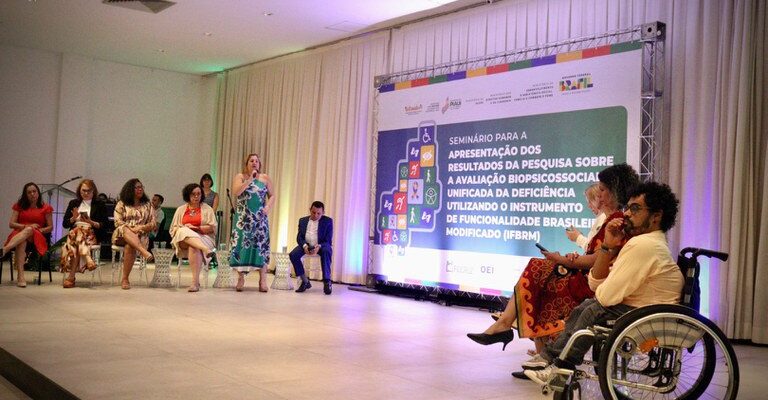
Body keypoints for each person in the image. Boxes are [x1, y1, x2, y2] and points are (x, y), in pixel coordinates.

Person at [467, 164, 639, 366]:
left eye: (602, 190)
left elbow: (598, 259)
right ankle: (512, 330)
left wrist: (562, 260)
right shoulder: (611, 219)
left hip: (592, 282)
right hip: (588, 276)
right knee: (539, 272)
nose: (598, 197)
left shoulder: (617, 220)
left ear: (613, 191)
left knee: (540, 273)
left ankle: (511, 330)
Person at [525, 181, 684, 384]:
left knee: (593, 309)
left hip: (649, 315)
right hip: (645, 309)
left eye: (635, 209)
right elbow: (596, 286)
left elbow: (605, 295)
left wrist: (601, 291)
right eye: (627, 207)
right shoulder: (647, 242)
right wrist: (608, 245)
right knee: (587, 306)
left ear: (656, 216)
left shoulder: (644, 245)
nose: (626, 214)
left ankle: (560, 366)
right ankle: (551, 358)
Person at [229, 153, 274, 292]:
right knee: (242, 246)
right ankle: (241, 278)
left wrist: (267, 207)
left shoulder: (265, 178)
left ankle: (263, 280)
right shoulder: (240, 177)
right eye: (251, 161)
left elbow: (272, 195)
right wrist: (249, 180)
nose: (254, 163)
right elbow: (236, 192)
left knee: (261, 247)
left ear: (259, 164)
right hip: (243, 219)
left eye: (257, 161)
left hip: (260, 218)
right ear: (247, 163)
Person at [2, 183, 53, 287]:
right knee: (22, 240)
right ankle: (21, 276)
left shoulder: (46, 208)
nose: (32, 194)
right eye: (29, 192)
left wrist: (39, 230)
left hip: (37, 236)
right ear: (25, 194)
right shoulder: (19, 206)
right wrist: (26, 227)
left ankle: (5, 250)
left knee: (29, 230)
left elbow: (50, 227)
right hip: (19, 234)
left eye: (34, 191)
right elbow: (11, 224)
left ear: (38, 193)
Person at [60, 179, 109, 288]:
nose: (86, 193)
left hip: (91, 234)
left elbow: (105, 224)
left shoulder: (99, 204)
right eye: (83, 191)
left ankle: (71, 277)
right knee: (77, 232)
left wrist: (91, 222)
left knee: (77, 233)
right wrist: (73, 218)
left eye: (88, 191)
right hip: (75, 235)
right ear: (79, 191)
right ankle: (87, 258)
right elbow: (65, 224)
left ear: (93, 191)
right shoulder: (73, 203)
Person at [169, 183, 217, 292]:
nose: (196, 197)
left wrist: (196, 228)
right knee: (182, 230)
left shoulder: (207, 209)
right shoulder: (181, 209)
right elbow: (173, 229)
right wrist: (186, 228)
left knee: (193, 247)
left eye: (199, 194)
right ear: (188, 195)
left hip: (203, 237)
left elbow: (212, 228)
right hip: (183, 239)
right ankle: (205, 250)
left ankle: (195, 283)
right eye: (193, 194)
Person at [112, 178, 156, 290]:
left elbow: (153, 223)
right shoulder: (121, 203)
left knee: (130, 245)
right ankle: (144, 252)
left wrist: (141, 227)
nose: (140, 189)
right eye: (137, 187)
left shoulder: (148, 204)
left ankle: (125, 278)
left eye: (141, 187)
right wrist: (132, 229)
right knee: (125, 229)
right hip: (122, 234)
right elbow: (118, 221)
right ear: (130, 189)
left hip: (141, 235)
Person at [289, 201, 334, 295]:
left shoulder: (328, 221)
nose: (316, 215)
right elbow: (299, 237)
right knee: (293, 254)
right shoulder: (303, 220)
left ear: (323, 212)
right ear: (310, 210)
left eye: (319, 213)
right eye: (313, 212)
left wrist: (319, 246)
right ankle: (305, 281)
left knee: (327, 250)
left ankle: (327, 281)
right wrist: (304, 246)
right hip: (306, 245)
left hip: (321, 246)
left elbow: (328, 240)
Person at [566, 183, 605, 251]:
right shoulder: (600, 218)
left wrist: (578, 237)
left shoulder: (603, 218)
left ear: (600, 199)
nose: (589, 206)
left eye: (590, 201)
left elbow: (594, 249)